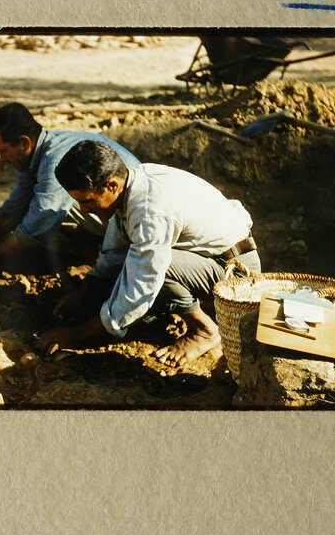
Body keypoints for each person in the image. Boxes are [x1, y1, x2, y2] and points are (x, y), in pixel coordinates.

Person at [35, 140, 261, 366]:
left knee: (159, 268)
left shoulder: (150, 211)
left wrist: (77, 335)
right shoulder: (132, 184)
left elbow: (141, 286)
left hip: (236, 273)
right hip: (205, 259)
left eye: (87, 201)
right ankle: (178, 305)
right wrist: (85, 292)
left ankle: (203, 330)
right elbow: (114, 251)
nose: (84, 210)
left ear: (111, 185)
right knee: (131, 269)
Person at [0, 103, 139, 278]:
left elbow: (33, 229)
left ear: (24, 143)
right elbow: (12, 210)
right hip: (113, 220)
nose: (1, 158)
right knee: (39, 207)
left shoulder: (54, 162)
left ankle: (110, 261)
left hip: (133, 225)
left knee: (52, 211)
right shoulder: (37, 157)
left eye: (3, 150)